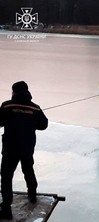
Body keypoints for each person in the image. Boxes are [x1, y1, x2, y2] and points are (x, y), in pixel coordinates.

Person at [0, 81, 48, 220]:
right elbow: (43, 125)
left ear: (14, 92)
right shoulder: (35, 108)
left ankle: (6, 209)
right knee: (28, 169)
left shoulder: (7, 105)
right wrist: (30, 124)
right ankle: (32, 195)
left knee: (6, 176)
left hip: (10, 147)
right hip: (27, 147)